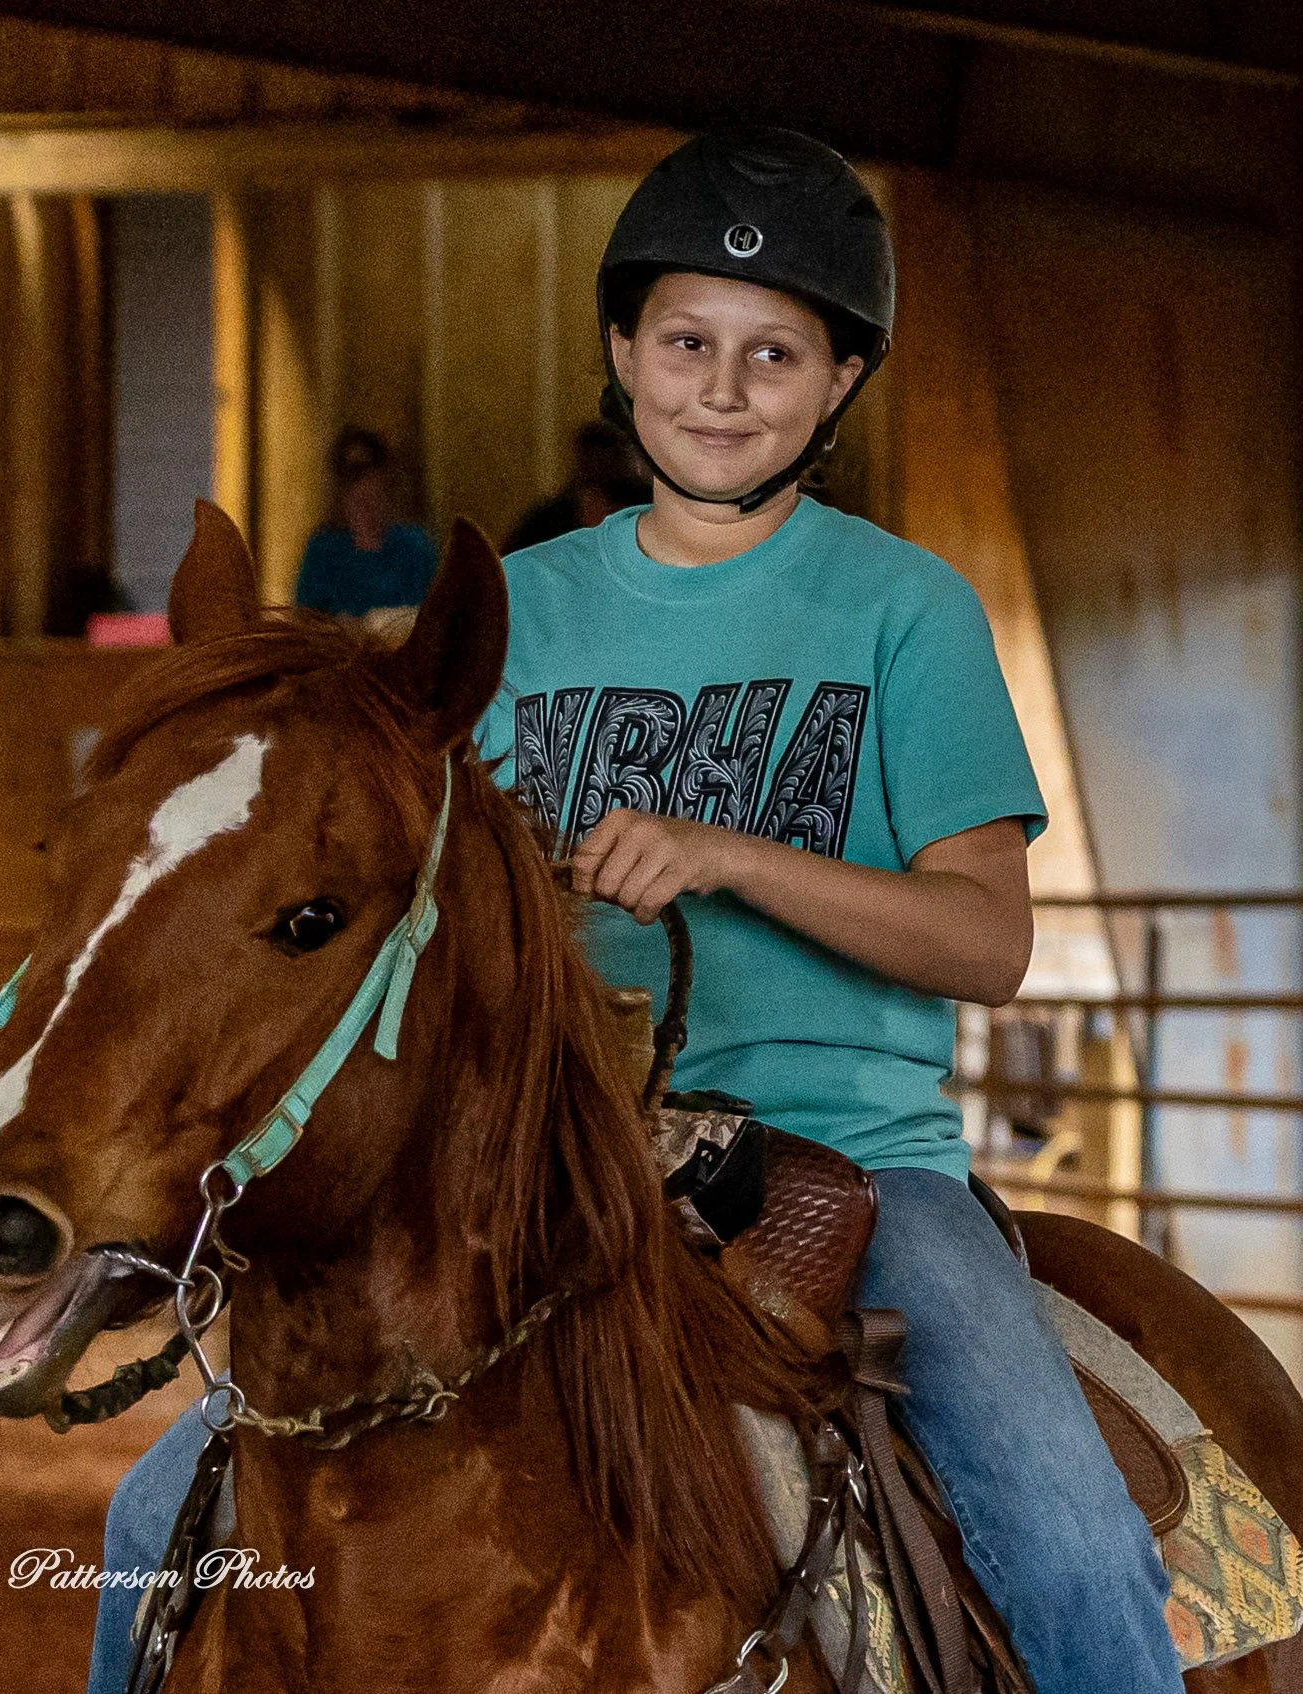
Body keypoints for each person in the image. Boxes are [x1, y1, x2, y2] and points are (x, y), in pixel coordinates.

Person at [83, 135, 1182, 1694]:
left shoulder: (904, 609)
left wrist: (732, 854)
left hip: (855, 1173)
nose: (722, 389)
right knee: (150, 1516)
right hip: (545, 1169)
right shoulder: (511, 611)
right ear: (620, 350)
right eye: (686, 342)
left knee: (1069, 1539)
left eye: (774, 353)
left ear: (841, 380)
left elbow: (986, 941)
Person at [295, 427, 437, 621]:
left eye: (372, 490)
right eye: (355, 490)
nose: (365, 501)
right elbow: (306, 620)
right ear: (341, 495)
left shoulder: (414, 547)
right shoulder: (323, 551)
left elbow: (435, 615)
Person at [504, 418, 651, 552]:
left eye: (606, 457)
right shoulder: (550, 518)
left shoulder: (646, 504)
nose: (597, 465)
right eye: (592, 457)